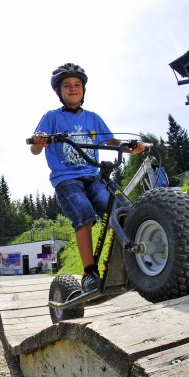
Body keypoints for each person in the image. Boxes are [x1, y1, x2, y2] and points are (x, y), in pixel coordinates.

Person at [30, 63, 144, 294]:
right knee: (83, 213)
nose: (73, 89)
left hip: (93, 176)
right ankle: (89, 273)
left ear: (83, 90)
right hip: (67, 179)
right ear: (59, 92)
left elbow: (110, 141)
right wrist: (39, 140)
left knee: (121, 209)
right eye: (67, 86)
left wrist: (128, 147)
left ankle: (130, 262)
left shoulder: (93, 118)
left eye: (77, 85)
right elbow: (34, 147)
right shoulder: (52, 117)